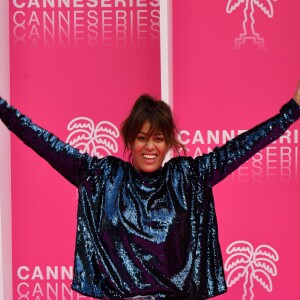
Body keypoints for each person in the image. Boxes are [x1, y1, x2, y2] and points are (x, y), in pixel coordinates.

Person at [0, 83, 300, 300]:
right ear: (130, 141)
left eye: (158, 138)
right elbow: (41, 140)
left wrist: (292, 112)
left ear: (168, 142)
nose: (150, 147)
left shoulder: (188, 177)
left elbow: (242, 147)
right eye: (142, 138)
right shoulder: (103, 176)